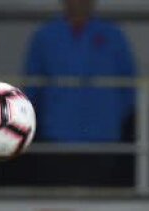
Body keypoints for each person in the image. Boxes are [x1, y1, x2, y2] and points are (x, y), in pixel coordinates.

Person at [18, 0, 136, 186]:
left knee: (100, 204)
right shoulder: (45, 37)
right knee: (58, 204)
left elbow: (129, 87)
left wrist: (108, 119)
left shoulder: (113, 36)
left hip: (103, 140)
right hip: (56, 139)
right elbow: (32, 89)